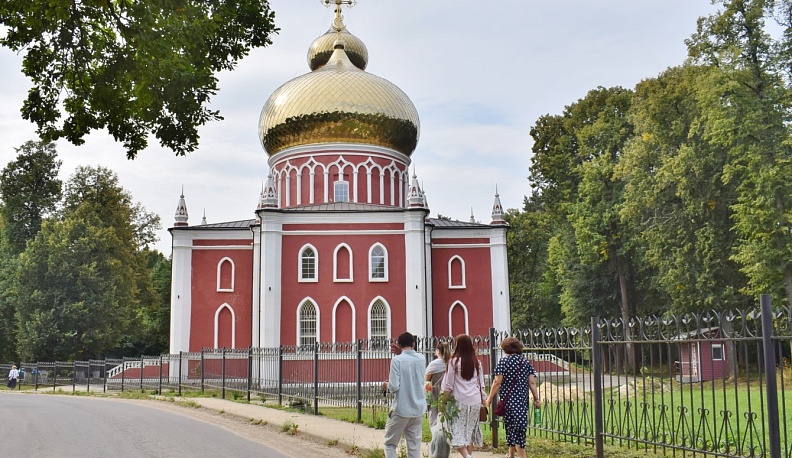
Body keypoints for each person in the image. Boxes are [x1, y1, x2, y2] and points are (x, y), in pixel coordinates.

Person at [484, 337, 541, 458]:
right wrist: (536, 398)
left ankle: (520, 455)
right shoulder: (525, 362)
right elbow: (532, 382)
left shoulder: (503, 362)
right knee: (518, 426)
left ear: (505, 349)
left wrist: (489, 399)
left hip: (507, 401)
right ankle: (511, 454)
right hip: (521, 401)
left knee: (512, 427)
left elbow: (497, 382)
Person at [381, 332, 427, 458]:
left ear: (399, 345)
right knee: (414, 448)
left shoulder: (396, 360)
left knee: (390, 445)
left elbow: (394, 386)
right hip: (418, 409)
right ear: (414, 344)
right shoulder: (422, 359)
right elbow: (411, 358)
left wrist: (386, 385)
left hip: (401, 409)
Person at [441, 334, 485, 458]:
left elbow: (449, 385)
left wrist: (443, 401)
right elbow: (481, 384)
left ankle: (467, 457)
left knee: (456, 430)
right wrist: (484, 399)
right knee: (469, 432)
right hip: (475, 400)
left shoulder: (453, 362)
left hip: (458, 401)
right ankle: (468, 455)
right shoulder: (477, 362)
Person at [425, 341, 451, 427]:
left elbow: (427, 382)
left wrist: (427, 400)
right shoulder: (451, 363)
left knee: (434, 414)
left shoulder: (434, 364)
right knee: (448, 413)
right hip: (449, 392)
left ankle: (436, 435)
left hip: (435, 392)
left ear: (438, 351)